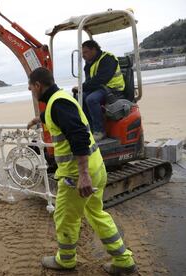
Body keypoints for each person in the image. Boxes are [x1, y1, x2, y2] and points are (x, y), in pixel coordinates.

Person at [27, 68, 136, 275]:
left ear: (38, 85)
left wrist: (83, 175)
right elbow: (60, 116)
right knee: (96, 213)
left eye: (31, 87)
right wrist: (38, 118)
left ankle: (65, 260)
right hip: (97, 167)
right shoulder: (61, 99)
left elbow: (78, 136)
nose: (31, 90)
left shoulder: (58, 103)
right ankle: (123, 259)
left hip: (76, 175)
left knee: (65, 218)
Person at [72, 40, 125, 141]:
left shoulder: (108, 59)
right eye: (82, 53)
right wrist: (80, 89)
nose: (83, 55)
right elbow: (89, 81)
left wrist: (82, 87)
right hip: (101, 87)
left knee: (91, 99)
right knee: (80, 97)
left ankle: (99, 131)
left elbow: (101, 79)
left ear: (94, 50)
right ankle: (89, 129)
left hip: (113, 88)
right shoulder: (89, 63)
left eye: (85, 52)